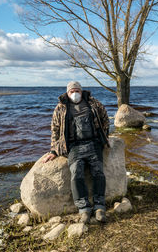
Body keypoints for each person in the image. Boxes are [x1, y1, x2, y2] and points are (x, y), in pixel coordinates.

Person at [43, 81, 110, 224]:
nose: (75, 94)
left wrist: (103, 138)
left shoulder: (94, 103)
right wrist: (54, 150)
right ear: (67, 93)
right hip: (73, 147)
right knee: (76, 174)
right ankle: (84, 209)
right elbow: (55, 129)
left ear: (81, 91)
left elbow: (105, 119)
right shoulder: (61, 108)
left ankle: (99, 207)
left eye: (77, 91)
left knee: (98, 172)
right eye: (71, 91)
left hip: (93, 144)